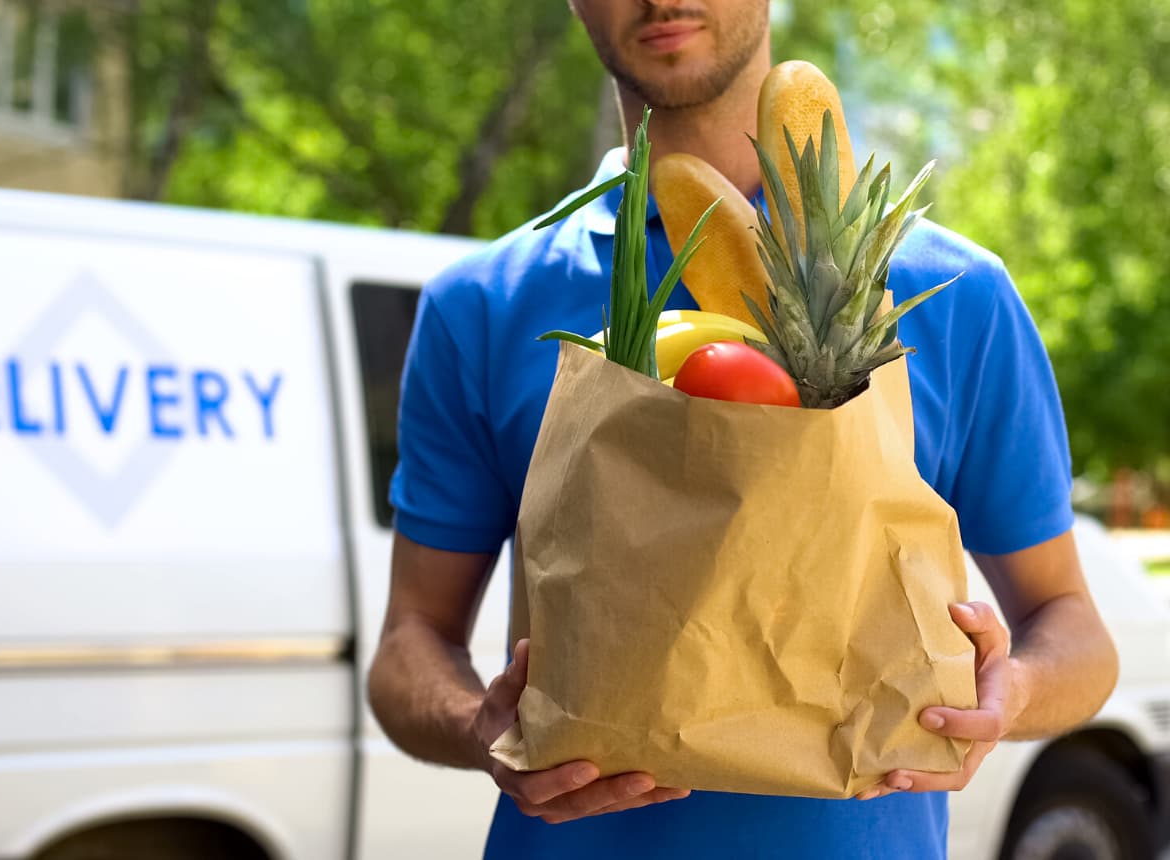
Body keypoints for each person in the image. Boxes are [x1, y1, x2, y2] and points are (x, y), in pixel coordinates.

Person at [367, 1, 1119, 857]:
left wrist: (1009, 693)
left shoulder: (952, 295)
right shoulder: (483, 306)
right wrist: (481, 728)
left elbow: (1075, 629)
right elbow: (407, 647)